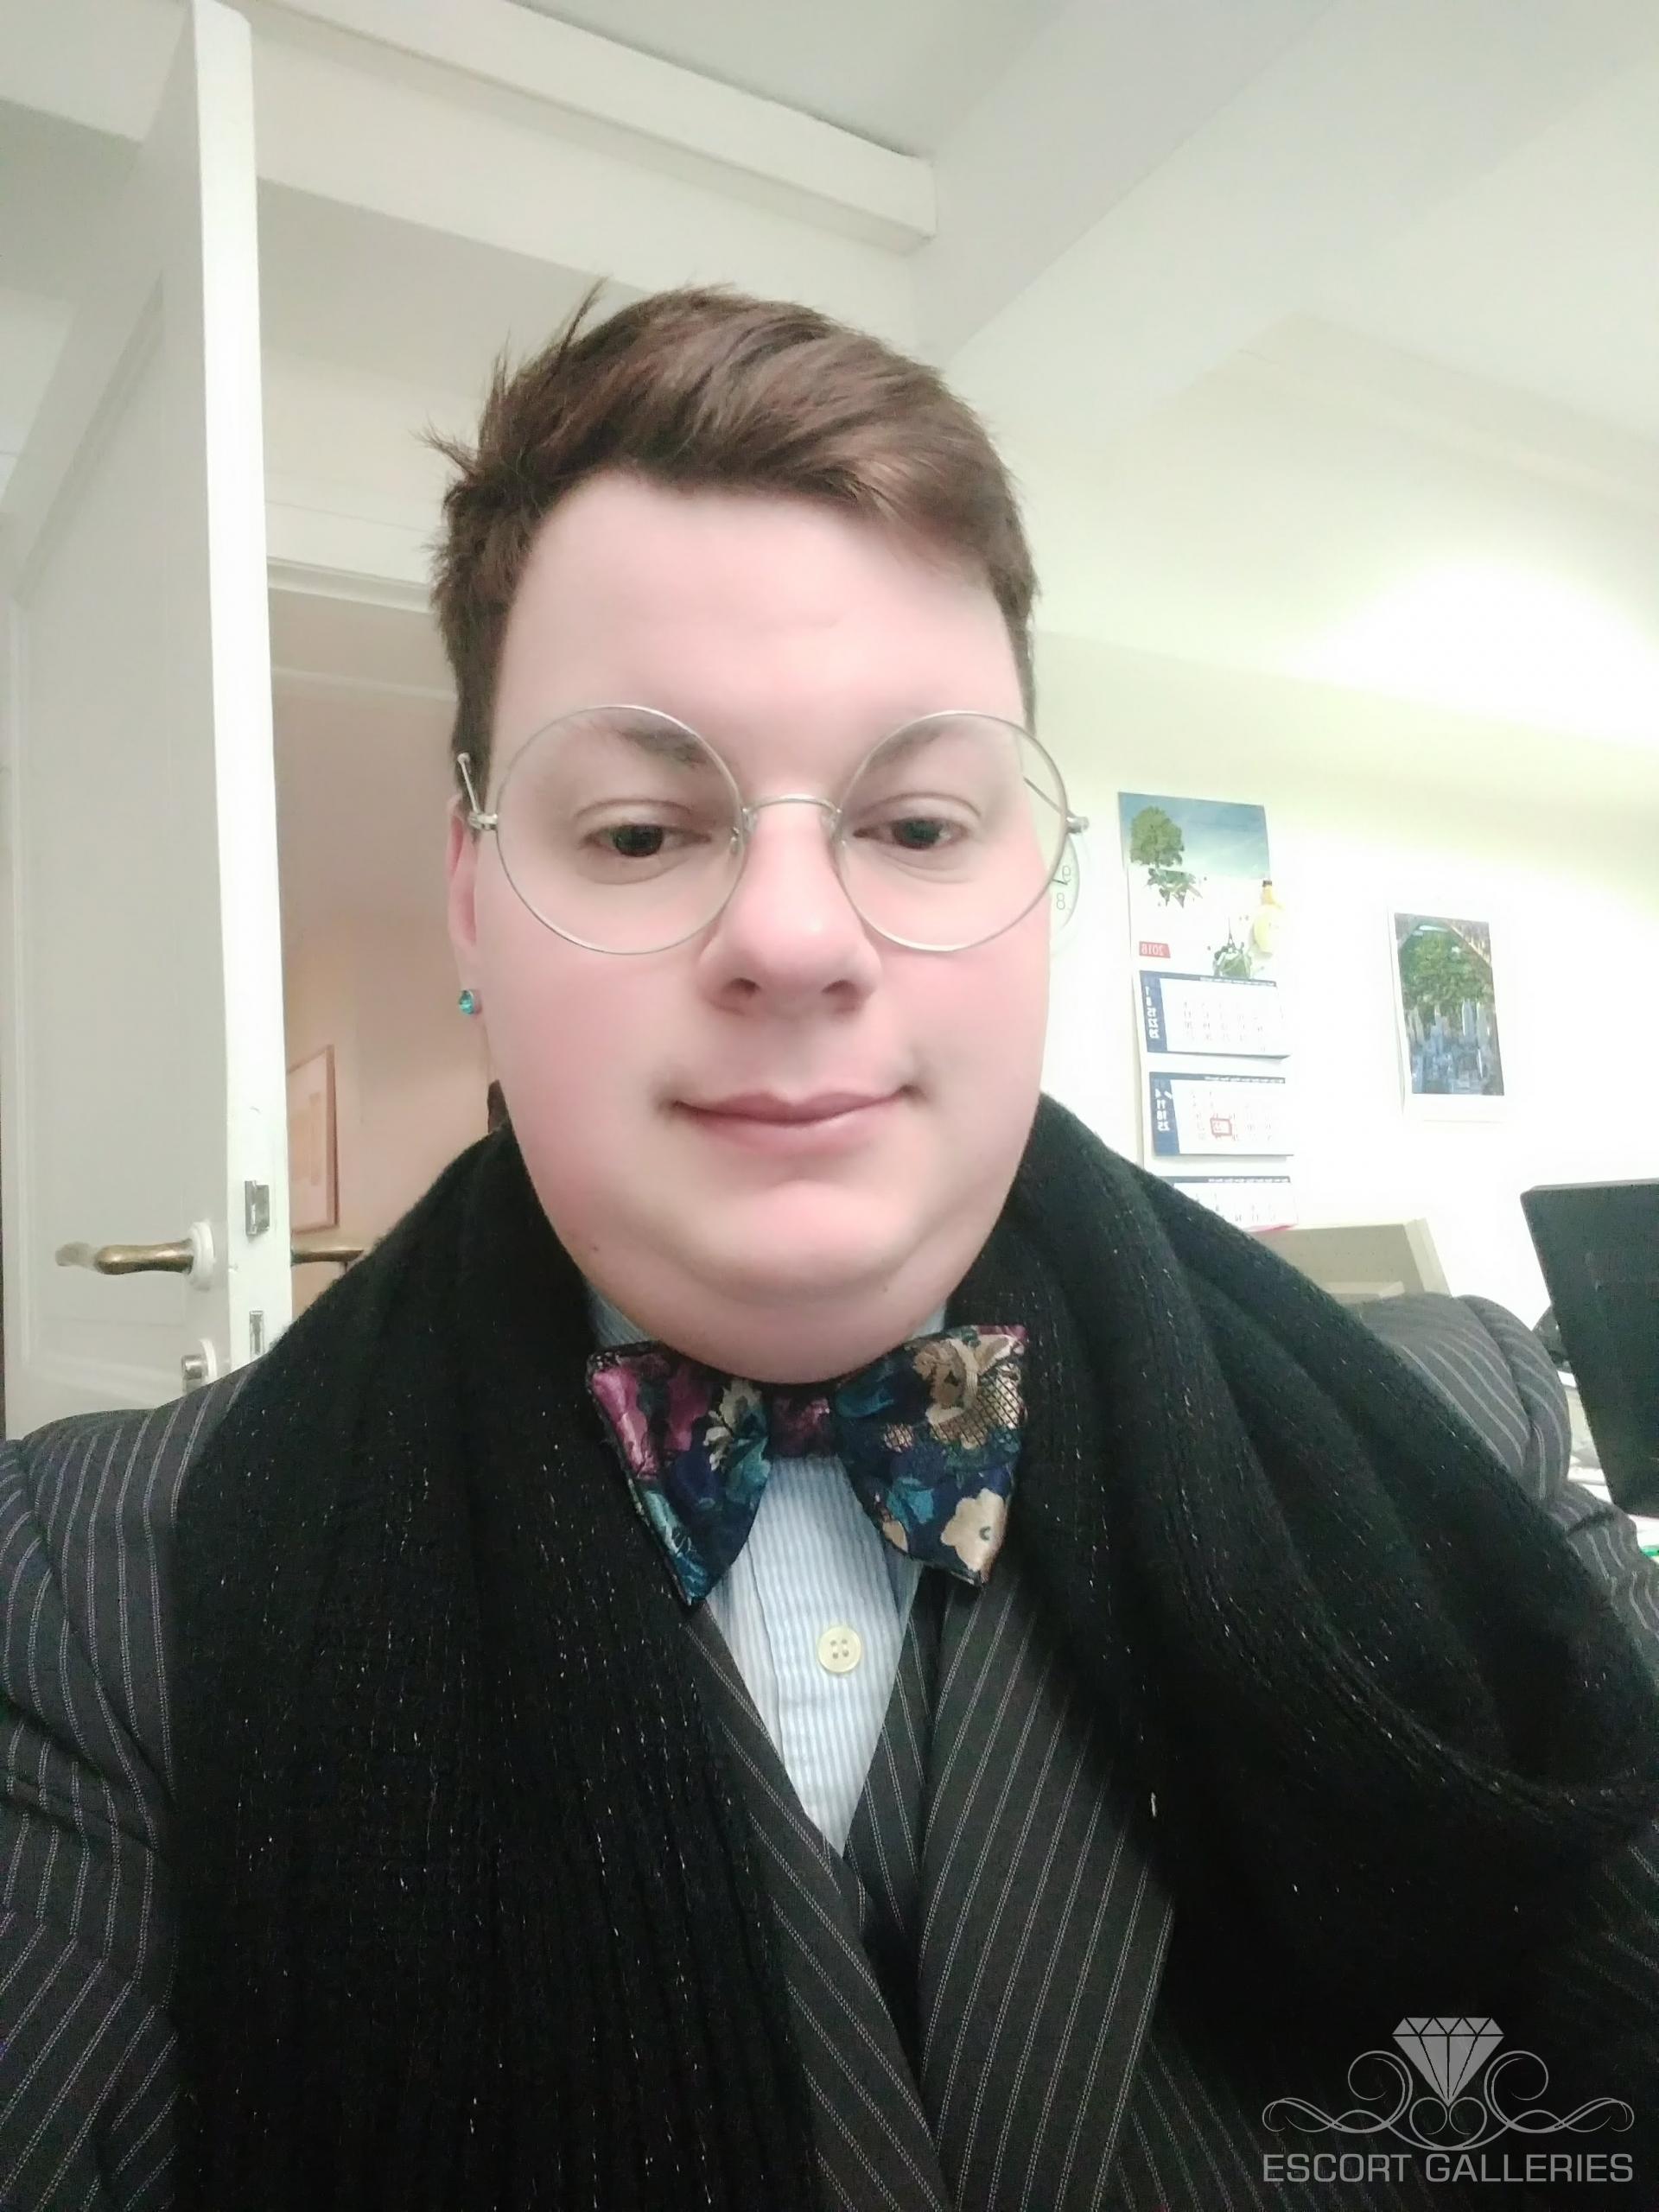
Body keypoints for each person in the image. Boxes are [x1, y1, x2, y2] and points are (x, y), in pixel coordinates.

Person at [3, 287, 1658, 2212]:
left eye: (920, 821)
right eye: (639, 831)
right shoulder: (88, 1592)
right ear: (471, 894)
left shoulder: (1463, 1433)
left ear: (1038, 884)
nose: (795, 938)